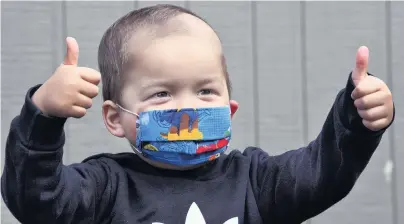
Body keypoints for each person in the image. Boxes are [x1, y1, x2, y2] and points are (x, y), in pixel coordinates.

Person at [1, 4, 395, 224]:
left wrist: (357, 117)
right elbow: (37, 202)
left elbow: (324, 173)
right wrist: (44, 115)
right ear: (114, 118)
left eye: (205, 91)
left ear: (230, 109)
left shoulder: (256, 183)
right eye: (161, 94)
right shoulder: (105, 188)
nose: (186, 108)